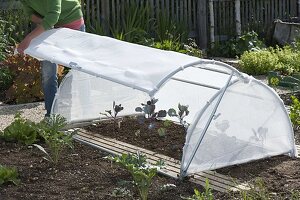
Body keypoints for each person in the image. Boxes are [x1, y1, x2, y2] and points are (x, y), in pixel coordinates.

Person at [18, 0, 85, 117]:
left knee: (79, 72)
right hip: (50, 27)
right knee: (48, 74)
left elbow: (54, 15)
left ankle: (86, 114)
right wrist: (46, 23)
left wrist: (29, 38)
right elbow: (31, 14)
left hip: (72, 23)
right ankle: (52, 115)